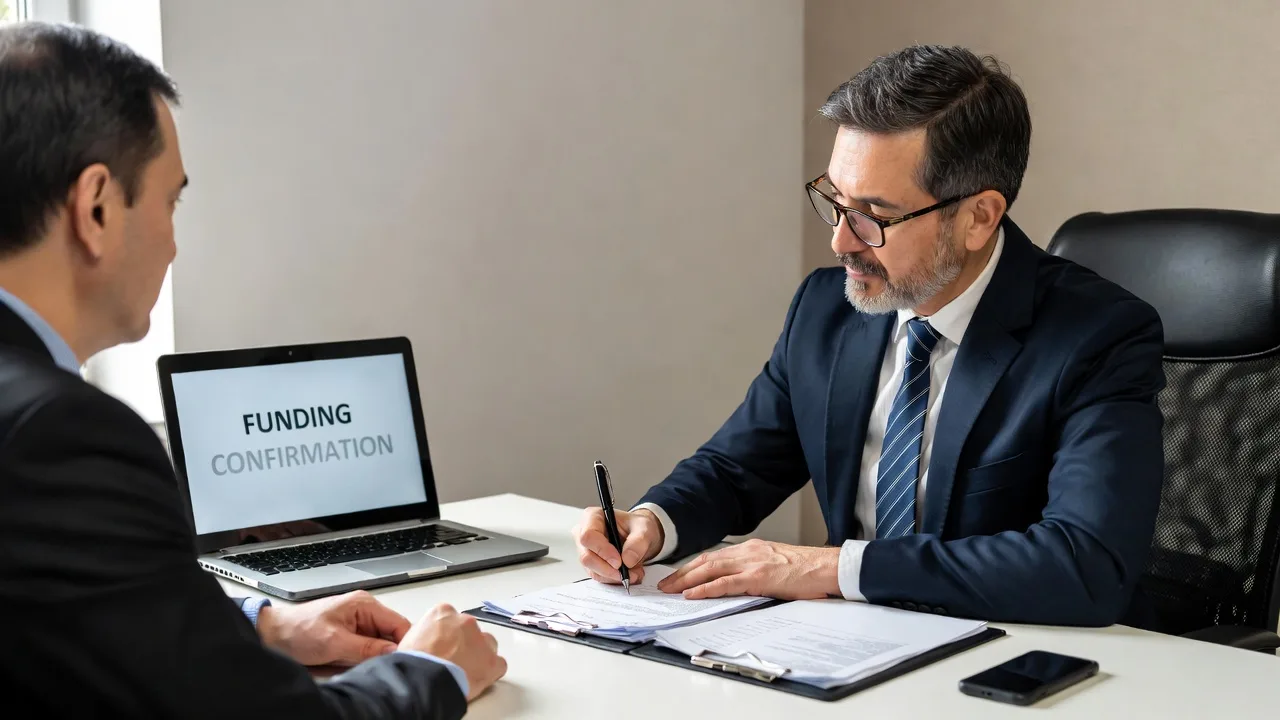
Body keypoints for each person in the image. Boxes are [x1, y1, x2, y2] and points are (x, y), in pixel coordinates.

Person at [0, 22, 504, 717]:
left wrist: (257, 623)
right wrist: (431, 669)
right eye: (169, 200)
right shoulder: (60, 434)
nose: (173, 242)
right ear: (95, 208)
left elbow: (57, 614)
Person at [574, 45, 1165, 627]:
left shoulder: (1098, 337)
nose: (840, 242)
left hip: (1004, 658)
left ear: (979, 217)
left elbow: (1084, 566)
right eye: (835, 200)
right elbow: (738, 467)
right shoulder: (825, 309)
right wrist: (654, 522)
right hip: (845, 648)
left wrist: (834, 569)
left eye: (874, 216)